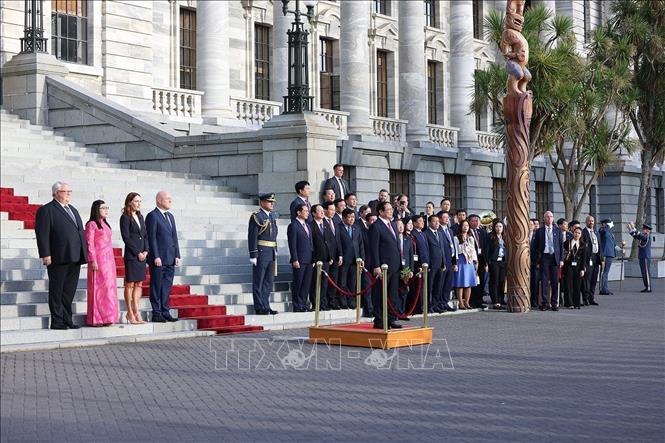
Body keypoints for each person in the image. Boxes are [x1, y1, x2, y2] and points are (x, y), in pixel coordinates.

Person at [34, 181, 87, 330]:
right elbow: (42, 234)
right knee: (57, 290)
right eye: (65, 191)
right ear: (56, 193)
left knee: (69, 292)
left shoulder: (73, 210)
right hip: (58, 257)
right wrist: (45, 254)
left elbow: (79, 231)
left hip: (75, 256)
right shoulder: (47, 210)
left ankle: (67, 319)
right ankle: (57, 321)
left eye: (70, 191)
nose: (68, 194)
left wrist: (84, 252)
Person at [146, 191, 181, 322]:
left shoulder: (170, 216)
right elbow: (151, 238)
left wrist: (177, 254)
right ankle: (156, 312)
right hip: (158, 259)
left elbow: (174, 237)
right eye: (167, 199)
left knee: (166, 286)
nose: (170, 201)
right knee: (156, 285)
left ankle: (165, 311)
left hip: (170, 258)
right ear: (159, 201)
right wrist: (155, 256)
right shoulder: (152, 216)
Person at [85, 200, 119, 327]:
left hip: (109, 262)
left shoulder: (105, 224)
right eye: (103, 208)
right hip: (98, 261)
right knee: (98, 289)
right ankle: (97, 318)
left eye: (107, 208)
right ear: (96, 210)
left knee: (108, 289)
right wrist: (92, 259)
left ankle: (109, 316)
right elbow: (89, 243)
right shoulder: (92, 224)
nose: (106, 210)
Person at [369, 201, 402, 329]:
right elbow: (374, 248)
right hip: (383, 266)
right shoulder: (376, 226)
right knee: (380, 293)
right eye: (388, 209)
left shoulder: (392, 224)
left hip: (395, 265)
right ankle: (379, 320)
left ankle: (391, 318)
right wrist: (376, 266)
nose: (391, 211)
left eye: (391, 209)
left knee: (392, 294)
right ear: (381, 212)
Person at [119, 192, 148, 324]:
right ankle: (130, 312)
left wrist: (146, 251)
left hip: (143, 255)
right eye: (136, 201)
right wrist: (138, 253)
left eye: (140, 201)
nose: (138, 204)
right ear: (130, 202)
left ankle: (137, 311)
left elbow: (145, 235)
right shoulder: (125, 217)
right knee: (130, 284)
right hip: (132, 255)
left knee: (139, 283)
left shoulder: (141, 216)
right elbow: (126, 238)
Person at [248, 193, 279, 315]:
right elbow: (252, 236)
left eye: (273, 202)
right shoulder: (257, 216)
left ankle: (266, 305)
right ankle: (259, 307)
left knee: (268, 282)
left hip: (271, 252)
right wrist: (253, 254)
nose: (272, 204)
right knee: (259, 281)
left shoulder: (272, 216)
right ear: (262, 203)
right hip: (261, 252)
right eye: (269, 201)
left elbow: (274, 235)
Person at [534, 211, 564, 311]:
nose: (549, 218)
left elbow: (560, 246)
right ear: (544, 219)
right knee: (544, 281)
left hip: (554, 257)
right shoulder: (539, 231)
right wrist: (537, 261)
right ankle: (545, 303)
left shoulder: (557, 230)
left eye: (551, 216)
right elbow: (535, 247)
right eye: (547, 217)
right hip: (544, 257)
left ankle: (554, 303)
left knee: (555, 281)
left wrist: (561, 260)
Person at [287, 203, 314, 312]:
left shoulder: (307, 225)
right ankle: (297, 305)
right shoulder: (293, 225)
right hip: (299, 259)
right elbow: (292, 244)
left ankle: (303, 303)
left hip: (308, 259)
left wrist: (313, 258)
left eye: (308, 211)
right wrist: (294, 259)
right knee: (298, 282)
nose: (307, 213)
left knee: (306, 283)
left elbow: (311, 243)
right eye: (305, 211)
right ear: (298, 212)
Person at [336, 208, 365, 310]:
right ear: (344, 218)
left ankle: (352, 301)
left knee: (353, 282)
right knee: (342, 282)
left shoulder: (356, 228)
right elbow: (338, 243)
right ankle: (343, 302)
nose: (352, 219)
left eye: (353, 217)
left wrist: (362, 258)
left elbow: (361, 244)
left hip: (355, 259)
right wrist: (340, 255)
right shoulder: (338, 227)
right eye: (349, 217)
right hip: (344, 259)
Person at [310, 205, 334, 310]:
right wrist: (313, 259)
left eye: (322, 211)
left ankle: (323, 303)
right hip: (317, 259)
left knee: (324, 283)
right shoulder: (311, 225)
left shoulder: (326, 224)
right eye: (319, 211)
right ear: (314, 213)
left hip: (326, 259)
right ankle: (315, 303)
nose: (322, 213)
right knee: (315, 283)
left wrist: (331, 256)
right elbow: (311, 244)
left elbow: (329, 241)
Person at [453, 220, 477, 310]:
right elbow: (455, 251)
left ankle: (467, 302)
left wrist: (475, 261)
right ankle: (460, 302)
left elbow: (474, 250)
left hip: (469, 261)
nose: (466, 227)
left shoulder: (470, 238)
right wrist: (455, 263)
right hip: (461, 259)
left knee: (469, 283)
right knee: (461, 282)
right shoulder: (456, 238)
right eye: (464, 225)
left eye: (467, 225)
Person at [322, 201, 342, 309]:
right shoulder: (322, 222)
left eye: (334, 210)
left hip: (335, 256)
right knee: (325, 281)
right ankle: (323, 302)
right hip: (326, 256)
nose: (333, 212)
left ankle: (332, 300)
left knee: (334, 280)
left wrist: (340, 255)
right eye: (331, 210)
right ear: (325, 210)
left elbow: (338, 240)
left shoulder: (335, 222)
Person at [562, 226, 588, 309]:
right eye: (576, 232)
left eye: (579, 233)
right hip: (568, 266)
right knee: (568, 284)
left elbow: (584, 258)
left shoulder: (583, 245)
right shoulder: (567, 243)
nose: (577, 234)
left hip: (578, 266)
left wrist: (582, 269)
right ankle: (569, 303)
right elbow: (564, 253)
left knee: (577, 285)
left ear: (581, 235)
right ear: (573, 233)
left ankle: (576, 303)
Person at [468, 214, 489, 309]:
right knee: (473, 281)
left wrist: (486, 263)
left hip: (481, 259)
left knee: (481, 281)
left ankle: (479, 300)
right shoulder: (467, 232)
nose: (475, 223)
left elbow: (486, 248)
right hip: (471, 259)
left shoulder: (482, 232)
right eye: (473, 221)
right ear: (469, 222)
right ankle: (471, 301)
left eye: (477, 221)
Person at [487, 220, 508, 310]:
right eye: (497, 227)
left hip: (503, 262)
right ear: (494, 228)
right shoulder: (491, 237)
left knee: (502, 281)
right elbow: (487, 250)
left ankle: (501, 299)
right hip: (494, 261)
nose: (498, 228)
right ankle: (495, 301)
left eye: (500, 227)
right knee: (494, 281)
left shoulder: (505, 237)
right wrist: (488, 262)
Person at [396, 219, 414, 317]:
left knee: (404, 291)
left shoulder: (408, 239)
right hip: (395, 268)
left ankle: (402, 312)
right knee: (395, 291)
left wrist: (411, 269)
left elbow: (410, 256)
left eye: (402, 225)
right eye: (398, 225)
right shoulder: (394, 238)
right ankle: (395, 312)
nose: (401, 227)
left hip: (406, 268)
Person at [627, 222, 653, 293]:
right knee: (643, 273)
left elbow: (639, 234)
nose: (643, 230)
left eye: (644, 229)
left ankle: (649, 287)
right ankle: (646, 286)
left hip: (645, 257)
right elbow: (635, 236)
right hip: (642, 256)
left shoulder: (647, 236)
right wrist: (630, 228)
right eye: (643, 229)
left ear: (648, 230)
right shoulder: (643, 236)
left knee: (646, 273)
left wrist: (633, 227)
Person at [438, 212, 456, 312]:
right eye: (444, 217)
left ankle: (445, 302)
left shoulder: (450, 230)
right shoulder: (439, 230)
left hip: (450, 260)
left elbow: (453, 246)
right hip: (443, 261)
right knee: (441, 283)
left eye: (447, 217)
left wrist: (454, 262)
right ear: (440, 219)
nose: (447, 219)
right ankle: (439, 303)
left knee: (448, 284)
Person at [581, 215, 601, 306]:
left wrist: (602, 259)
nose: (591, 222)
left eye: (592, 221)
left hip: (596, 258)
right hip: (587, 258)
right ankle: (585, 299)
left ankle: (591, 298)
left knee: (593, 280)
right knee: (587, 280)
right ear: (586, 222)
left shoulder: (596, 232)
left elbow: (600, 246)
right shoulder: (583, 232)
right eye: (589, 221)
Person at [598, 219, 617, 295]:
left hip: (610, 254)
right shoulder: (603, 230)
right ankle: (604, 289)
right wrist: (607, 226)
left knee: (606, 272)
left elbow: (613, 243)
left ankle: (605, 288)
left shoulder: (609, 232)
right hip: (605, 253)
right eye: (608, 223)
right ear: (604, 224)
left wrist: (620, 249)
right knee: (605, 272)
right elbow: (602, 231)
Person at [529, 218, 541, 308]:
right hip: (524, 263)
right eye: (528, 224)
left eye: (531, 224)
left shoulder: (537, 235)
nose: (529, 226)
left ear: (534, 226)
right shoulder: (523, 235)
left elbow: (540, 250)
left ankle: (534, 301)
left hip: (535, 262)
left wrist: (537, 262)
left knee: (535, 283)